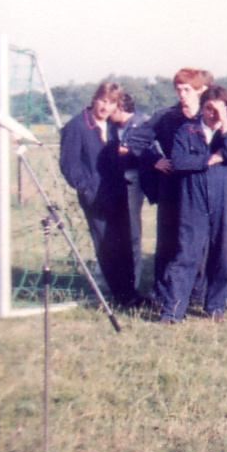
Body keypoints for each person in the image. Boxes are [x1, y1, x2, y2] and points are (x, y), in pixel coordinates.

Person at [157, 86, 227, 323]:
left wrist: (225, 122)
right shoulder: (187, 130)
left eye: (221, 109)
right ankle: (173, 310)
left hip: (226, 197)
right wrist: (210, 159)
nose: (213, 114)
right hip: (193, 197)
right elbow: (179, 161)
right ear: (202, 108)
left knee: (223, 254)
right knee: (187, 253)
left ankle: (216, 307)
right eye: (209, 108)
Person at [126, 68, 212, 302]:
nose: (182, 94)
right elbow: (134, 140)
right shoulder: (166, 116)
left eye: (187, 89)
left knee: (200, 242)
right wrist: (155, 160)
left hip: (201, 187)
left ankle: (197, 293)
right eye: (179, 89)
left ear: (201, 90)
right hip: (172, 187)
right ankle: (163, 293)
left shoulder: (208, 115)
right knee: (168, 242)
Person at [59, 81, 140, 308]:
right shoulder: (77, 126)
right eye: (103, 100)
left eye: (111, 102)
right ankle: (121, 296)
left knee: (124, 243)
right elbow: (69, 165)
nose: (106, 107)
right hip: (96, 196)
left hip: (118, 192)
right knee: (107, 244)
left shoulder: (113, 126)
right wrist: (86, 188)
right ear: (94, 99)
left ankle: (130, 292)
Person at [108, 92, 149, 306]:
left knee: (132, 234)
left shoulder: (141, 124)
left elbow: (151, 152)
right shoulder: (112, 126)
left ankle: (132, 287)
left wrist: (130, 153)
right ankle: (118, 284)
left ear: (121, 108)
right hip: (115, 183)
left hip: (132, 183)